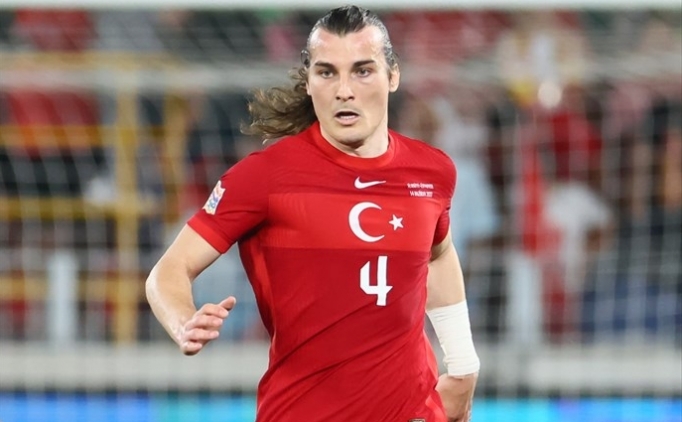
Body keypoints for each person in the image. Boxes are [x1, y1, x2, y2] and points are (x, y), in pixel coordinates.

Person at [145, 6, 480, 421]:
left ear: (392, 76)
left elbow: (438, 254)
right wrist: (184, 321)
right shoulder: (265, 177)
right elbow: (168, 271)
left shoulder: (431, 171)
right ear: (308, 82)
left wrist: (463, 364)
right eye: (327, 73)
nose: (344, 90)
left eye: (362, 71)